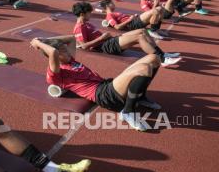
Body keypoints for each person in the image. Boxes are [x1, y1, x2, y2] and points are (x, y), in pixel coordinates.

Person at [31, 36, 162, 131]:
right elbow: (52, 52)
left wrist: (45, 39)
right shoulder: (55, 74)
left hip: (106, 84)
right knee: (144, 69)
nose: (67, 52)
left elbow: (71, 38)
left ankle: (140, 97)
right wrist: (37, 42)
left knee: (154, 58)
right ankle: (128, 111)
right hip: (103, 95)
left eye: (65, 49)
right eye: (63, 51)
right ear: (53, 56)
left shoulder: (69, 60)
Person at [71, 2, 181, 68]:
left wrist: (104, 37)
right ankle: (161, 60)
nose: (90, 14)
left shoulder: (86, 24)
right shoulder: (79, 27)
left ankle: (162, 54)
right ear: (82, 14)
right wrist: (102, 37)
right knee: (139, 37)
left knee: (142, 31)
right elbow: (84, 46)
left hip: (109, 40)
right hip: (106, 46)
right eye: (89, 13)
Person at [99, 0, 164, 39]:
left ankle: (156, 29)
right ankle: (152, 31)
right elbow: (117, 27)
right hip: (132, 24)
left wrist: (133, 16)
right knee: (155, 11)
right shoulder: (109, 15)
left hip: (135, 20)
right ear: (107, 6)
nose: (114, 4)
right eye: (112, 3)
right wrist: (129, 20)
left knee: (160, 9)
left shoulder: (115, 13)